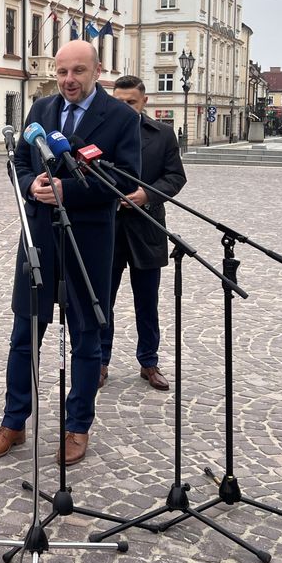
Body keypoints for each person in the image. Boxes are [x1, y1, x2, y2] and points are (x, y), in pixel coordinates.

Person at [0, 40, 140, 465]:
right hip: (38, 238)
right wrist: (32, 182)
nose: (69, 80)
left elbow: (126, 180)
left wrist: (66, 190)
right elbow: (18, 160)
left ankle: (76, 427)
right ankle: (14, 422)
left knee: (87, 337)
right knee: (24, 336)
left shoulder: (121, 117)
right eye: (62, 71)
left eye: (78, 71)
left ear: (97, 70)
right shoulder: (41, 110)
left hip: (88, 240)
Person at [100, 75, 187, 392]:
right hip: (107, 229)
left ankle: (149, 361)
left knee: (147, 303)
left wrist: (147, 195)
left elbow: (175, 177)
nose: (123, 108)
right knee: (101, 302)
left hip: (147, 228)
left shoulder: (162, 135)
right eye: (118, 102)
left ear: (144, 101)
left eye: (131, 103)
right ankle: (99, 361)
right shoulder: (101, 134)